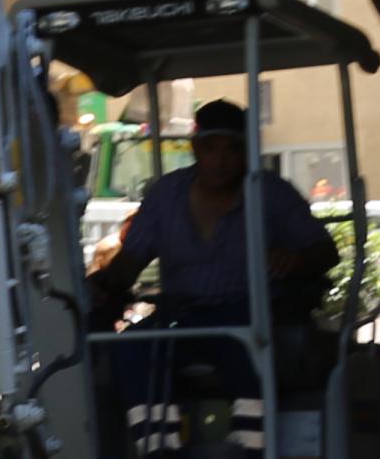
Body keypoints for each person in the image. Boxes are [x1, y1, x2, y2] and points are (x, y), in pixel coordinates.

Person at [88, 97, 333, 337]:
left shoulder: (272, 193)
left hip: (254, 325)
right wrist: (100, 284)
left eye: (231, 149)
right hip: (179, 323)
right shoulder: (166, 195)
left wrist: (295, 260)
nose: (220, 161)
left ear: (246, 151)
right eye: (210, 148)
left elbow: (326, 252)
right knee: (124, 350)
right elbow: (130, 261)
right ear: (195, 148)